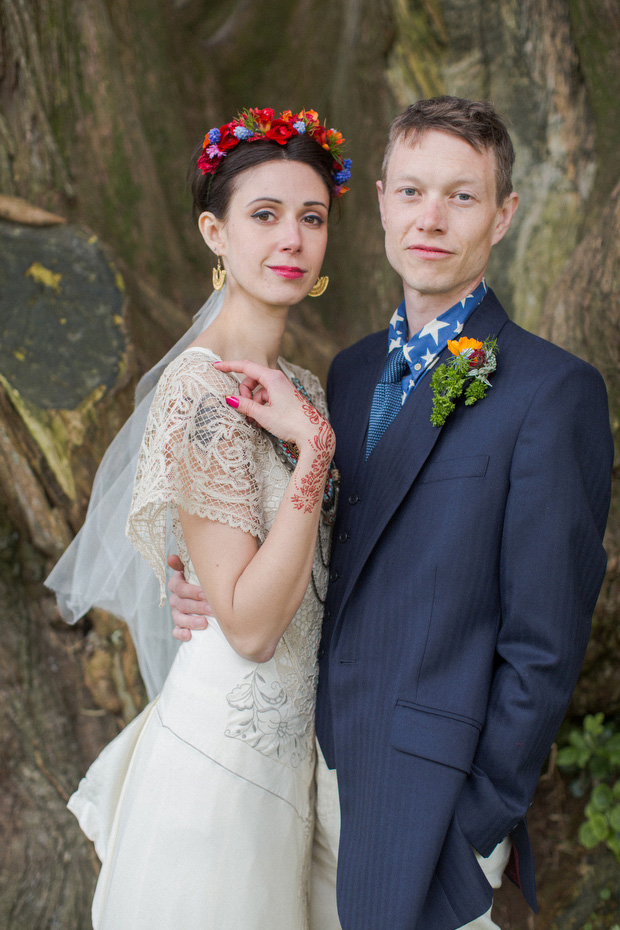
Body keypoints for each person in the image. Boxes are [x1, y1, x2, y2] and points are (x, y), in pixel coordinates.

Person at [169, 96, 614, 930]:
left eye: (463, 196)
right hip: (301, 771)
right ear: (379, 201)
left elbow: (544, 645)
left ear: (505, 214)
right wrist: (199, 576)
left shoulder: (551, 392)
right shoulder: (345, 374)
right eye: (412, 192)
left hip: (430, 805)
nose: (432, 219)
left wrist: (476, 825)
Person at [48, 106, 352, 930]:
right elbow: (250, 628)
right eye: (264, 215)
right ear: (215, 233)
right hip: (226, 759)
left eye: (311, 217)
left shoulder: (305, 389)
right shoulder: (203, 390)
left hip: (295, 753)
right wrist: (316, 452)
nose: (291, 238)